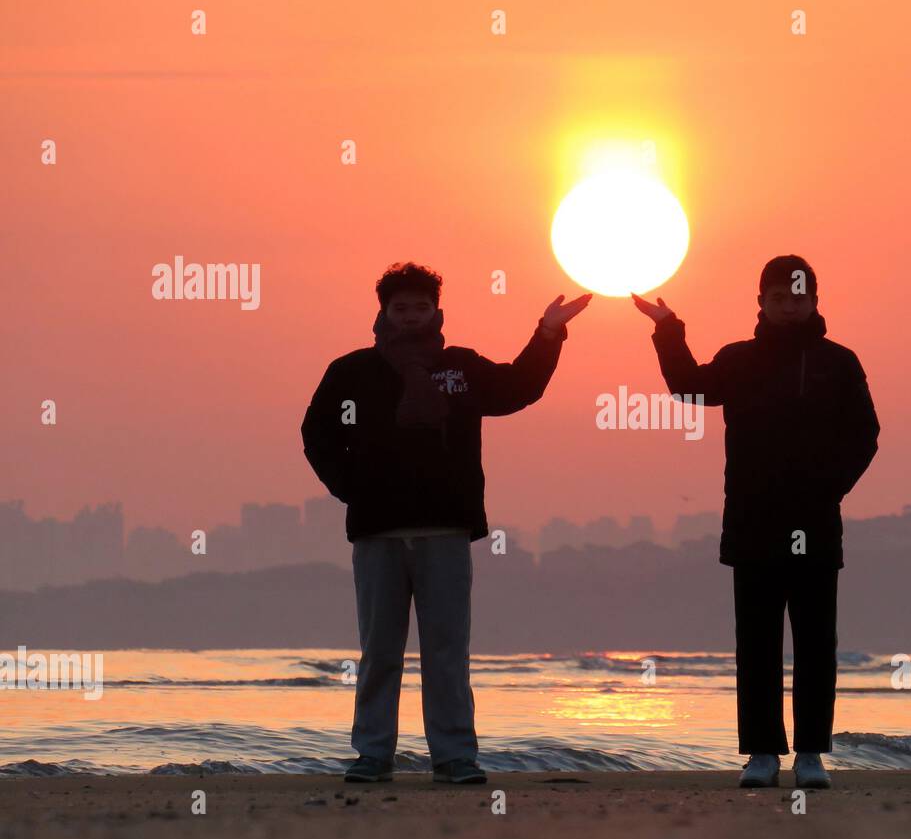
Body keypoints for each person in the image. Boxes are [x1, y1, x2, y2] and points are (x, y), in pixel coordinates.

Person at [302, 262, 589, 784]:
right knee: (380, 651)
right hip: (377, 531)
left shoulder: (461, 367)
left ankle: (455, 757)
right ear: (384, 312)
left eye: (420, 307)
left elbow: (517, 388)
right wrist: (353, 487)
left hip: (446, 529)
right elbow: (317, 434)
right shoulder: (353, 372)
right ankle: (372, 755)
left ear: (437, 311)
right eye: (400, 308)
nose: (411, 317)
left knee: (447, 651)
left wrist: (548, 333)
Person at [633, 255, 880, 789]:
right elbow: (689, 388)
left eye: (799, 298)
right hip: (752, 522)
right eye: (779, 298)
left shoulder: (839, 362)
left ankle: (812, 753)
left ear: (815, 301)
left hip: (815, 523)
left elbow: (866, 436)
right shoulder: (739, 360)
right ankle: (762, 754)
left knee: (816, 644)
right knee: (757, 644)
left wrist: (827, 487)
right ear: (762, 302)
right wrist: (668, 330)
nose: (790, 306)